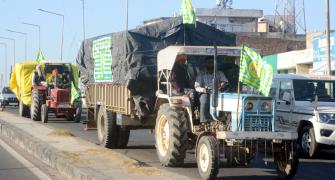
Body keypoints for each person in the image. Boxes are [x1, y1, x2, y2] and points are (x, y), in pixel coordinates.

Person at [194, 58, 228, 125]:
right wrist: (203, 89)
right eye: (208, 62)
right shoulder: (201, 73)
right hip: (206, 92)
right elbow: (197, 87)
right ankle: (204, 121)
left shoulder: (219, 73)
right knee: (204, 99)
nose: (210, 64)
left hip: (217, 91)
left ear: (215, 64)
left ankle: (221, 118)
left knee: (222, 100)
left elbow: (225, 81)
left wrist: (221, 85)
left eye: (212, 63)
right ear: (205, 64)